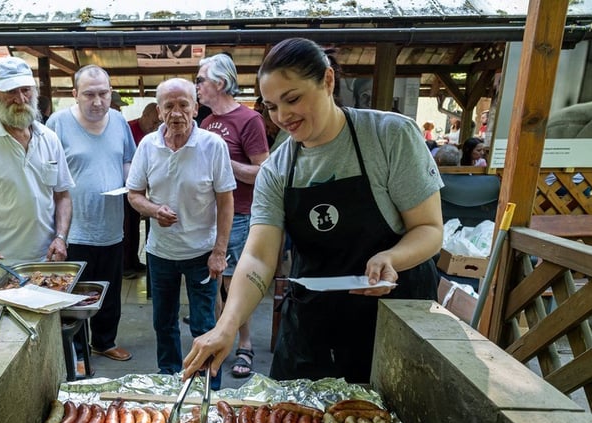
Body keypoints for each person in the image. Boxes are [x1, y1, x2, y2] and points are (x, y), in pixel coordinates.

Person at [183, 38, 443, 384]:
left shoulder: (389, 136)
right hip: (313, 323)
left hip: (393, 320)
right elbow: (259, 257)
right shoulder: (277, 169)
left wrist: (393, 258)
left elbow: (429, 229)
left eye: (293, 99)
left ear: (328, 81)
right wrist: (226, 325)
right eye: (272, 106)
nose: (282, 116)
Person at [126, 78, 235, 389]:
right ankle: (169, 380)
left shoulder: (213, 146)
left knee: (204, 325)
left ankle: (207, 388)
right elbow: (134, 194)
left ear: (196, 108)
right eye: (169, 106)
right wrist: (153, 210)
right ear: (159, 111)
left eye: (183, 105)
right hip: (160, 254)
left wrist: (219, 252)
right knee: (163, 322)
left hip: (202, 253)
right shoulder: (148, 145)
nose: (176, 113)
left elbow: (225, 201)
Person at [47, 65, 136, 362]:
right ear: (74, 95)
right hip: (74, 229)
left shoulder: (120, 122)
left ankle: (104, 341)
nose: (97, 101)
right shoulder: (57, 124)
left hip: (111, 226)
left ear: (111, 93)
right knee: (73, 293)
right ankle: (75, 351)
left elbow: (127, 161)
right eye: (89, 95)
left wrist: (130, 184)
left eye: (103, 93)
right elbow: (47, 174)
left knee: (109, 291)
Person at [0, 56, 73, 277]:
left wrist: (61, 237)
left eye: (25, 90)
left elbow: (63, 196)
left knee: (50, 311)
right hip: (4, 263)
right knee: (9, 313)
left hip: (49, 259)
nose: (20, 99)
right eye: (11, 91)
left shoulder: (49, 138)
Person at [196, 53, 270, 377]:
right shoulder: (206, 122)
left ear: (221, 83)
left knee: (234, 284)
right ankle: (219, 339)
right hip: (209, 217)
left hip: (239, 214)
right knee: (214, 283)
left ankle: (245, 344)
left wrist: (225, 161)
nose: (195, 86)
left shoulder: (248, 120)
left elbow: (262, 172)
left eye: (200, 80)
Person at [124, 102, 161, 278]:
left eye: (157, 123)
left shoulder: (155, 135)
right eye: (152, 122)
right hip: (127, 186)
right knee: (127, 228)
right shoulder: (129, 128)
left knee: (135, 226)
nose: (154, 127)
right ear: (144, 116)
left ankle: (134, 261)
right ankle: (126, 264)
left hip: (145, 188)